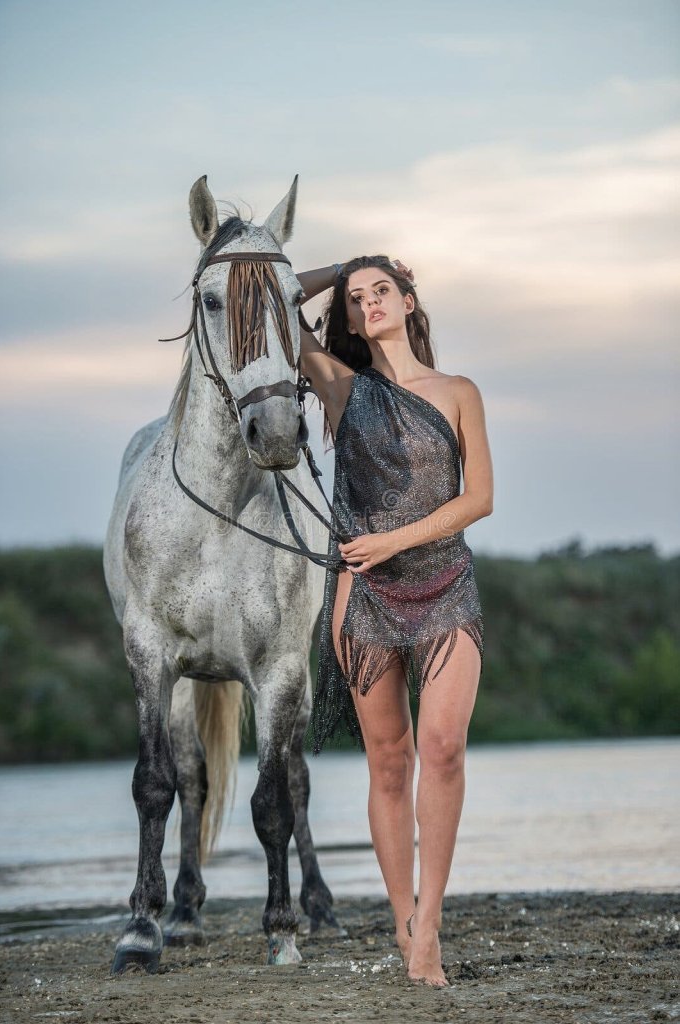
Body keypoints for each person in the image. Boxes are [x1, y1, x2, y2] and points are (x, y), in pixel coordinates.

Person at [295, 256, 493, 987]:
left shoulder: (458, 391)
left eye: (382, 290)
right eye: (357, 298)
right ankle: (405, 918)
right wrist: (345, 261)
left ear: (408, 300)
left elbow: (479, 500)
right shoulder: (343, 388)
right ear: (348, 318)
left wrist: (394, 540)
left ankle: (431, 926)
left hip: (446, 585)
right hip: (365, 597)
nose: (371, 302)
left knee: (441, 748)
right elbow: (278, 302)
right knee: (389, 762)